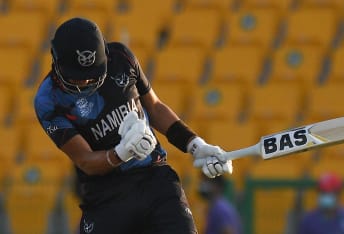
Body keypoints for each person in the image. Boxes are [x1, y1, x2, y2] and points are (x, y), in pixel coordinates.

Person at [34, 17, 233, 234]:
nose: (87, 83)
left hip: (153, 177)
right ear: (56, 61)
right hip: (105, 193)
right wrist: (121, 152)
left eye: (93, 76)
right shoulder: (48, 99)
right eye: (79, 78)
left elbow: (155, 108)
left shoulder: (121, 57)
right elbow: (85, 160)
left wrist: (194, 144)